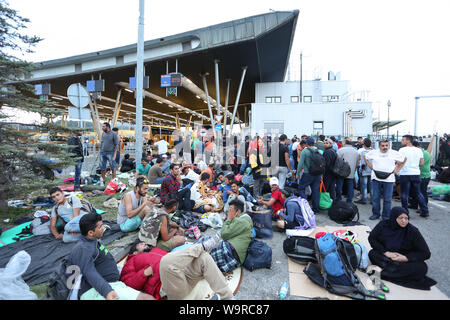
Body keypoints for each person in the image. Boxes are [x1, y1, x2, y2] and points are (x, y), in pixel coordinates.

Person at [68, 213, 155, 300]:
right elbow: (89, 272)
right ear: (90, 233)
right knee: (146, 298)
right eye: (100, 227)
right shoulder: (82, 248)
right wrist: (107, 291)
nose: (103, 228)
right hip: (95, 290)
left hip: (111, 285)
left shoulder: (93, 242)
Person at [368, 207, 437, 290]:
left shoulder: (412, 231)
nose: (404, 221)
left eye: (406, 218)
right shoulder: (383, 225)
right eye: (401, 218)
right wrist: (386, 252)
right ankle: (395, 272)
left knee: (422, 267)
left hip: (403, 261)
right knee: (372, 253)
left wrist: (405, 258)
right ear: (394, 217)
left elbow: (425, 253)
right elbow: (372, 238)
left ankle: (384, 274)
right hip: (387, 257)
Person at [158, 235, 233, 300]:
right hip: (172, 289)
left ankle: (228, 297)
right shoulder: (146, 257)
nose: (145, 244)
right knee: (165, 261)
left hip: (184, 275)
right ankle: (202, 246)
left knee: (203, 257)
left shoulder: (155, 249)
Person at [197, 199, 253, 273]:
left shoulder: (242, 221)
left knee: (202, 260)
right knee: (205, 241)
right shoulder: (242, 219)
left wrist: (228, 219)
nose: (228, 212)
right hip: (231, 249)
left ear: (238, 212)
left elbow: (224, 234)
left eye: (230, 210)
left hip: (230, 253)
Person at [364, 139, 406, 220]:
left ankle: (386, 216)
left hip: (389, 179)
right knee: (375, 198)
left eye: (386, 145)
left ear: (389, 146)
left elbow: (404, 159)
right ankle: (376, 214)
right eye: (383, 146)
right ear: (379, 146)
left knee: (387, 199)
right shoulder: (374, 152)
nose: (385, 147)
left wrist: (398, 169)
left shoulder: (394, 153)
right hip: (376, 178)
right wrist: (371, 166)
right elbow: (365, 157)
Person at [398, 135, 429, 217]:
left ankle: (405, 213)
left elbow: (398, 162)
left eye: (403, 139)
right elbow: (421, 163)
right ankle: (425, 210)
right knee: (418, 193)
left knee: (404, 194)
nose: (401, 141)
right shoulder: (418, 150)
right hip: (416, 173)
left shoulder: (402, 150)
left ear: (408, 141)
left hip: (405, 174)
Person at [296, 137, 322, 213]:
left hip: (307, 173)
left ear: (307, 143)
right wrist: (321, 175)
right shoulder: (318, 151)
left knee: (301, 188)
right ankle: (316, 209)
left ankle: (305, 206)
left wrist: (297, 173)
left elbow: (300, 164)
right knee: (315, 191)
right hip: (317, 174)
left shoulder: (305, 151)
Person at [409, 141, 431, 212]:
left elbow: (418, 163)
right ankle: (414, 204)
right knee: (415, 191)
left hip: (424, 176)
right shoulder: (422, 152)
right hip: (419, 175)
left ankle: (423, 207)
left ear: (417, 147)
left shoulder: (424, 153)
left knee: (422, 192)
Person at [335, 138, 359, 203]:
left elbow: (337, 161)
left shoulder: (340, 150)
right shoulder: (356, 151)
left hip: (341, 171)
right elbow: (357, 162)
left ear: (345, 143)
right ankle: (349, 199)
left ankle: (339, 198)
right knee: (350, 185)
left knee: (339, 184)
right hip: (351, 171)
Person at [355, 138, 373, 204]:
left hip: (364, 170)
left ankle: (364, 199)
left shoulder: (361, 151)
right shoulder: (374, 151)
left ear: (363, 144)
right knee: (372, 186)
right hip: (372, 170)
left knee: (364, 186)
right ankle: (372, 200)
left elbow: (359, 161)